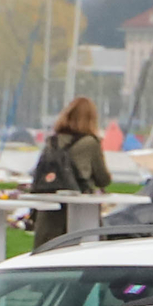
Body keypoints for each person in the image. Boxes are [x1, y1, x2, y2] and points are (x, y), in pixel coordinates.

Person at [27, 97, 111, 248]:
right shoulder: (90, 143)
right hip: (79, 209)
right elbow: (102, 179)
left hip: (49, 210)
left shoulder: (52, 141)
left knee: (48, 255)